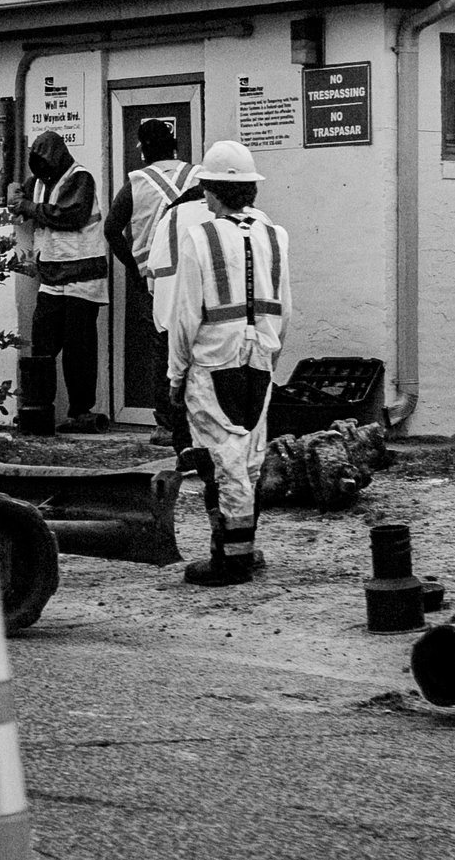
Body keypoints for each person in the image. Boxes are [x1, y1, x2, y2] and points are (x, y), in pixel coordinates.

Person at [162, 140, 291, 586]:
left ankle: (230, 559)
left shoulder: (200, 237)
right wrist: (270, 354)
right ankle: (244, 549)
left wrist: (176, 374)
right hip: (260, 360)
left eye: (206, 188)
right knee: (249, 459)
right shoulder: (277, 236)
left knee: (221, 461)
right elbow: (285, 308)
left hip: (213, 362)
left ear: (213, 190)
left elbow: (184, 316)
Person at [10, 129, 111, 436]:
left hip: (82, 279)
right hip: (52, 279)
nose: (41, 172)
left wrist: (27, 206)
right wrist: (17, 197)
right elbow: (22, 203)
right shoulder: (40, 180)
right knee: (42, 346)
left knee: (79, 351)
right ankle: (37, 410)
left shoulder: (81, 178)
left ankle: (80, 412)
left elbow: (71, 216)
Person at [104, 120, 194, 444]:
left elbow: (112, 229)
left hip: (153, 278)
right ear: (173, 145)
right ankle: (196, 421)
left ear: (143, 148)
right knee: (198, 343)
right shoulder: (195, 175)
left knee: (163, 349)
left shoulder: (136, 182)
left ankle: (166, 426)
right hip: (194, 271)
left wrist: (132, 265)